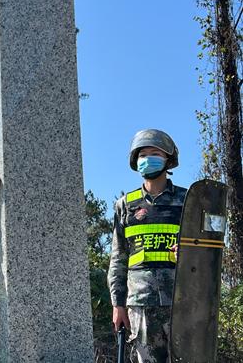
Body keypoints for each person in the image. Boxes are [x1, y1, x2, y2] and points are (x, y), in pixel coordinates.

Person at [108, 129, 187, 363]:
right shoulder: (125, 205)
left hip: (181, 300)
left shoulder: (188, 200)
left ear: (168, 159)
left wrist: (190, 253)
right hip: (140, 304)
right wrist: (117, 304)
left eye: (155, 153)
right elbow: (118, 258)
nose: (147, 159)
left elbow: (205, 252)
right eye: (143, 154)